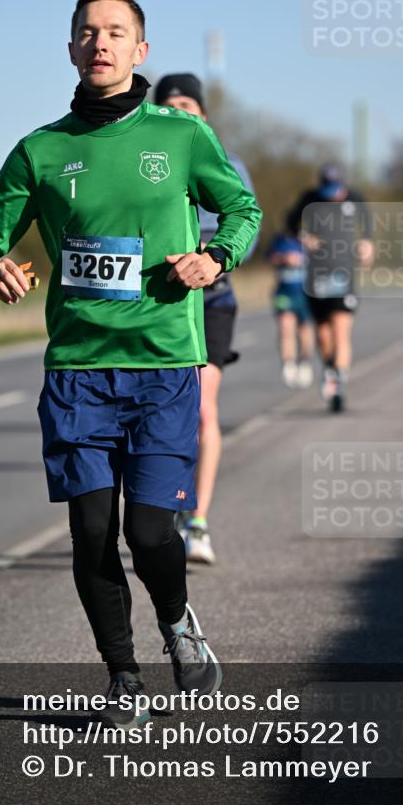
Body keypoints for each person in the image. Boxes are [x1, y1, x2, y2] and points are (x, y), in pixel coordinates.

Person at [0, 0, 261, 725]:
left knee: (149, 531)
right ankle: (123, 676)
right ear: (70, 49)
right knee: (92, 530)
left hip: (162, 368)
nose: (101, 43)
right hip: (78, 373)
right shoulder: (41, 149)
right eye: (88, 32)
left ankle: (178, 625)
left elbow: (243, 210)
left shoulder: (182, 138)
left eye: (115, 32)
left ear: (139, 50)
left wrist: (215, 257)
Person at [153, 73, 258, 566]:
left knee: (201, 409)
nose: (180, 112)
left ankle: (197, 519)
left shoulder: (227, 162)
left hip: (213, 298)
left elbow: (247, 224)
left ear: (204, 114)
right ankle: (164, 510)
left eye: (188, 104)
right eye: (170, 105)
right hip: (161, 303)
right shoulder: (147, 161)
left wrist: (213, 255)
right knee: (163, 415)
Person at [286, 163, 373, 412]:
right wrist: (304, 238)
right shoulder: (309, 199)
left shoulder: (355, 197)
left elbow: (367, 224)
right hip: (316, 276)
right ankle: (329, 369)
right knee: (323, 334)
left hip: (344, 273)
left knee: (341, 329)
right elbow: (291, 226)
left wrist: (367, 244)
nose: (333, 196)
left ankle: (339, 384)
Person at [267, 232, 314, 388]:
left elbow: (327, 259)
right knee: (286, 327)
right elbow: (270, 258)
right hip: (284, 292)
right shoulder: (281, 239)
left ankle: (305, 361)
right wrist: (284, 259)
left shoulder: (312, 238)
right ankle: (289, 364)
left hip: (306, 293)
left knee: (304, 330)